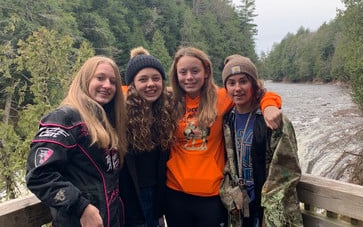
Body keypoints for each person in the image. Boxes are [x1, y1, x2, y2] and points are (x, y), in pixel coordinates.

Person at [164, 46, 282, 227]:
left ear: (206, 72)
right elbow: (130, 91)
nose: (189, 77)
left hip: (211, 195)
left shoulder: (221, 97)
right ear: (176, 75)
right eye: (183, 72)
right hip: (175, 192)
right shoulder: (169, 101)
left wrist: (269, 106)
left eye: (195, 71)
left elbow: (260, 93)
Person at [25, 56, 128, 227]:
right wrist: (81, 207)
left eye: (113, 81)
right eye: (100, 78)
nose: (107, 85)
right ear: (85, 79)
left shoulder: (108, 121)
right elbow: (38, 174)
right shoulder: (64, 118)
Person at [219, 54, 303, 227]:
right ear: (225, 88)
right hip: (239, 207)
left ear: (254, 84)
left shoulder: (272, 120)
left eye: (243, 81)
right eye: (231, 83)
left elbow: (288, 168)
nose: (237, 88)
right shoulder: (227, 119)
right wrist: (228, 192)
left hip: (269, 209)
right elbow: (226, 162)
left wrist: (269, 206)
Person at [119, 47, 176, 227]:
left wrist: (267, 103)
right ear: (132, 84)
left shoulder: (166, 109)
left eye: (156, 78)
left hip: (159, 193)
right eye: (143, 79)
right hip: (130, 198)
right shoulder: (120, 114)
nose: (150, 84)